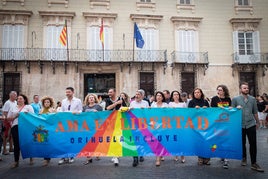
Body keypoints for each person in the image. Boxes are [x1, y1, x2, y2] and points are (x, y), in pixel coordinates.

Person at [232, 82, 264, 172]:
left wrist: (257, 122)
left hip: (251, 124)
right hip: (240, 125)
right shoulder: (235, 99)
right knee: (242, 143)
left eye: (247, 88)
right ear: (240, 89)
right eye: (244, 88)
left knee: (253, 144)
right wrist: (235, 109)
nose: (246, 89)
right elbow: (231, 112)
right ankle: (244, 158)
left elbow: (255, 111)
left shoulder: (253, 99)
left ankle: (254, 163)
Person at [6, 94, 34, 168]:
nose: (19, 100)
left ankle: (31, 157)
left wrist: (27, 115)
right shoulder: (13, 107)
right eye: (18, 99)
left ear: (24, 100)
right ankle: (16, 161)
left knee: (27, 143)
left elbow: (33, 117)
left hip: (26, 128)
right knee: (16, 144)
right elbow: (8, 118)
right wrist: (16, 116)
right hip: (15, 127)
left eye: (21, 98)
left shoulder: (29, 107)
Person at [58, 87, 82, 165]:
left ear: (73, 92)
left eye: (69, 92)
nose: (67, 93)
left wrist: (76, 112)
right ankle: (63, 157)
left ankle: (71, 156)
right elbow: (62, 111)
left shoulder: (78, 101)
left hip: (74, 123)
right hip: (65, 123)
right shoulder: (63, 101)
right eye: (66, 92)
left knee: (71, 139)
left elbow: (81, 111)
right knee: (64, 140)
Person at [210, 85, 232, 169]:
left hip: (226, 122)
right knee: (218, 139)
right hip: (217, 122)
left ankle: (226, 159)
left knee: (226, 139)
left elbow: (231, 109)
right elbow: (212, 109)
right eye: (218, 90)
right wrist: (220, 108)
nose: (219, 91)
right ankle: (221, 154)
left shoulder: (228, 99)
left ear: (224, 91)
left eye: (220, 90)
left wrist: (229, 108)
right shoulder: (214, 99)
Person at [188, 87, 210, 166]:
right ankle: (200, 157)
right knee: (199, 141)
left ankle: (206, 158)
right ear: (193, 94)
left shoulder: (205, 101)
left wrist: (206, 109)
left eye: (198, 92)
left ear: (201, 93)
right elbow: (189, 114)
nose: (197, 94)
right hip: (196, 124)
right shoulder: (191, 102)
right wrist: (194, 109)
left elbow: (210, 113)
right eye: (195, 93)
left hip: (205, 124)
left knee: (206, 140)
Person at [129, 89, 149, 167]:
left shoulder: (146, 103)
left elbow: (149, 114)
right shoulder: (132, 103)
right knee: (134, 141)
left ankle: (141, 154)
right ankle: (135, 158)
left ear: (142, 96)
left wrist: (144, 111)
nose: (136, 96)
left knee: (141, 140)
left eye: (138, 94)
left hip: (142, 125)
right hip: (134, 125)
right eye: (136, 94)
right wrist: (129, 110)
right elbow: (129, 113)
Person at [105, 88, 123, 166]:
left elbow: (125, 108)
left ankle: (116, 155)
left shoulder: (121, 99)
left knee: (118, 137)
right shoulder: (107, 100)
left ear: (115, 92)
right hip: (110, 122)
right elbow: (108, 108)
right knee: (112, 138)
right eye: (108, 92)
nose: (109, 93)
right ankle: (115, 155)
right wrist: (116, 103)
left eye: (111, 92)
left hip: (119, 121)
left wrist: (122, 108)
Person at [82, 94, 103, 165]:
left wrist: (97, 113)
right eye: (89, 98)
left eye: (92, 98)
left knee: (95, 141)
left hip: (95, 126)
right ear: (87, 99)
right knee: (87, 142)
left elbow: (102, 116)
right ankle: (88, 158)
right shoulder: (84, 107)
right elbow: (82, 116)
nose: (91, 99)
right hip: (87, 126)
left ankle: (97, 153)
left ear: (95, 99)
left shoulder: (98, 107)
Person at [151, 91, 168, 166]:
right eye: (157, 96)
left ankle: (160, 154)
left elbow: (169, 115)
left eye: (160, 96)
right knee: (157, 141)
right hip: (155, 125)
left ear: (162, 97)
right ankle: (158, 159)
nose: (158, 97)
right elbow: (150, 115)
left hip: (163, 125)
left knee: (162, 141)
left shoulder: (165, 105)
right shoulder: (153, 104)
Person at [169, 90, 187, 164]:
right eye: (174, 94)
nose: (176, 96)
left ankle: (182, 155)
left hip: (181, 124)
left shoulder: (183, 104)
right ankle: (176, 154)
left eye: (177, 94)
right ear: (172, 96)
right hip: (173, 124)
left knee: (181, 140)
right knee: (175, 139)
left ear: (179, 96)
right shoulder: (170, 104)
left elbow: (186, 113)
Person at [40, 96, 56, 166]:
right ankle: (46, 159)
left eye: (48, 102)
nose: (46, 103)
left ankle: (48, 158)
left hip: (50, 129)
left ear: (50, 103)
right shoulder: (41, 110)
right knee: (44, 144)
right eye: (45, 102)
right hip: (43, 129)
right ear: (43, 103)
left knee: (49, 143)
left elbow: (55, 119)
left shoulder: (52, 110)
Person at [2, 91, 17, 155]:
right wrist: (8, 120)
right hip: (7, 121)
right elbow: (4, 112)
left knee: (12, 135)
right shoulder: (7, 103)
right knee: (6, 136)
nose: (16, 96)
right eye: (15, 95)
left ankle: (11, 147)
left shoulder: (15, 102)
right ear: (11, 96)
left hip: (13, 120)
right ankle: (4, 150)